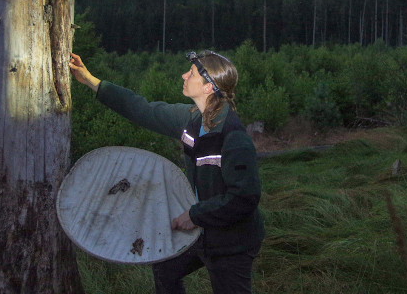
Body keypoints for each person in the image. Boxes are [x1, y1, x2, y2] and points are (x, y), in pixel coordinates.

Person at [69, 50, 265, 294]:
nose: (184, 75)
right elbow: (142, 109)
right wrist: (89, 79)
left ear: (208, 88)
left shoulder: (233, 138)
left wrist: (194, 215)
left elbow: (244, 198)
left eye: (191, 73)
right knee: (165, 267)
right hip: (201, 233)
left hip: (230, 242)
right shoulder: (190, 120)